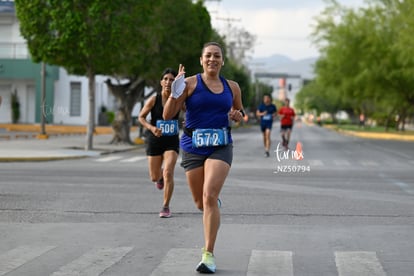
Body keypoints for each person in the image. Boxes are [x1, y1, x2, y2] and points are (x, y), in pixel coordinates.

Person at [163, 42, 244, 274]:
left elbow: (240, 112)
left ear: (222, 60)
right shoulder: (189, 84)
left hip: (221, 145)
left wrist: (237, 115)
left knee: (209, 195)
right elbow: (168, 114)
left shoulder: (232, 87)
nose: (212, 59)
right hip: (192, 146)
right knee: (201, 203)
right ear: (201, 60)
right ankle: (212, 206)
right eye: (208, 56)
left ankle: (208, 255)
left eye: (217, 56)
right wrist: (175, 92)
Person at [138, 68, 180, 218]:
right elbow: (141, 117)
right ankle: (159, 178)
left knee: (169, 171)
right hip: (155, 140)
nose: (168, 82)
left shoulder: (179, 98)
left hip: (171, 141)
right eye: (166, 79)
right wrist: (152, 128)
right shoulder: (154, 99)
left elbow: (190, 112)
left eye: (172, 80)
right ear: (161, 82)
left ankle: (166, 206)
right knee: (154, 177)